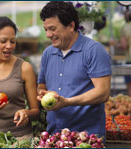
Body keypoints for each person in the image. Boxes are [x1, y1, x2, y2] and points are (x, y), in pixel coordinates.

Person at [37, 1, 111, 139]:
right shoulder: (48, 53)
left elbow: (103, 92)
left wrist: (68, 102)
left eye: (52, 28)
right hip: (54, 137)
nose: (48, 34)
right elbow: (41, 86)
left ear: (71, 25)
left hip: (87, 138)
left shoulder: (93, 51)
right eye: (45, 29)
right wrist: (42, 94)